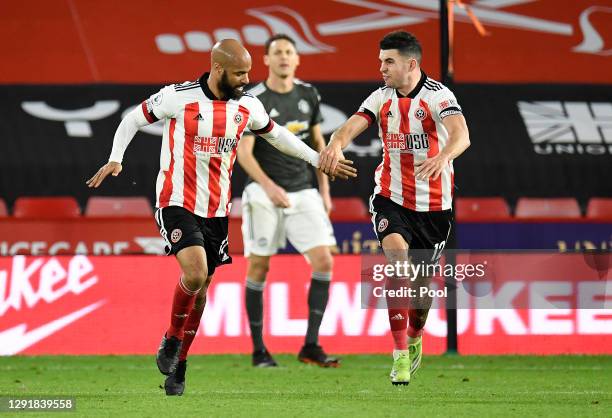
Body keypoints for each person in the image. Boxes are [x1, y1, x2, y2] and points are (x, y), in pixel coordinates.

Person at [86, 39, 356, 396]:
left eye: (248, 72)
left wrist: (317, 158)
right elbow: (133, 118)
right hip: (177, 201)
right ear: (218, 69)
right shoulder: (177, 97)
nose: (246, 79)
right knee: (195, 274)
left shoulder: (248, 105)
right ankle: (170, 338)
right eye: (239, 72)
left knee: (201, 291)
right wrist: (117, 157)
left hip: (216, 209)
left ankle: (179, 361)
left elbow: (278, 138)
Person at [319, 31, 470, 385]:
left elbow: (462, 135)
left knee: (420, 290)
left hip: (434, 206)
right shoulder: (381, 97)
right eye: (381, 61)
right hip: (391, 198)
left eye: (388, 61)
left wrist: (443, 155)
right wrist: (335, 144)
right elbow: (349, 127)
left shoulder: (438, 97)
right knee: (397, 261)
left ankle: (415, 337)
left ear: (411, 63)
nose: (381, 68)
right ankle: (399, 354)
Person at [237, 34, 338, 368]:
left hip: (303, 188)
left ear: (297, 59)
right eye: (277, 52)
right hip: (263, 193)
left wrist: (324, 191)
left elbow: (318, 141)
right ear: (265, 60)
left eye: (289, 52)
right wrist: (267, 186)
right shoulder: (254, 98)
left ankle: (310, 345)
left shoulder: (309, 94)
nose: (283, 57)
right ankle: (258, 350)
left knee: (324, 261)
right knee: (259, 266)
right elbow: (244, 152)